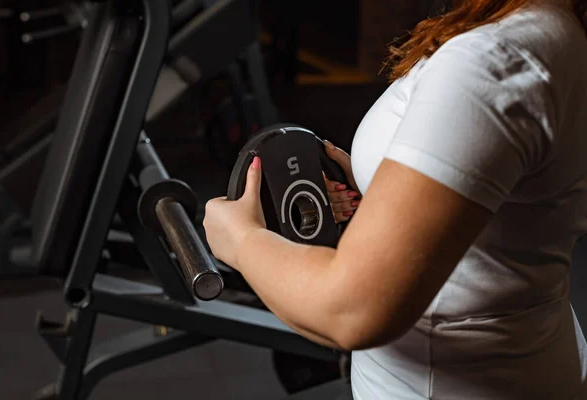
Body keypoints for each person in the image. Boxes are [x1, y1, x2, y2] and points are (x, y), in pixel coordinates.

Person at [203, 0, 587, 398]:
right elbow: (507, 203)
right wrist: (393, 188)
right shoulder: (551, 30)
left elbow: (350, 310)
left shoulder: (496, 61)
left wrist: (241, 240)